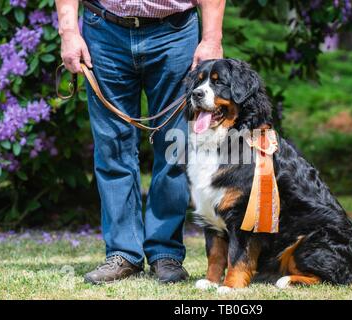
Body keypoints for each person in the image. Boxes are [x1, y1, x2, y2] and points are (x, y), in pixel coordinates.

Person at [55, 0, 225, 284]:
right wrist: (69, 31)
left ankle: (165, 253)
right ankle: (123, 253)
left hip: (174, 31)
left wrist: (211, 38)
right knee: (112, 149)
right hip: (104, 29)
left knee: (175, 148)